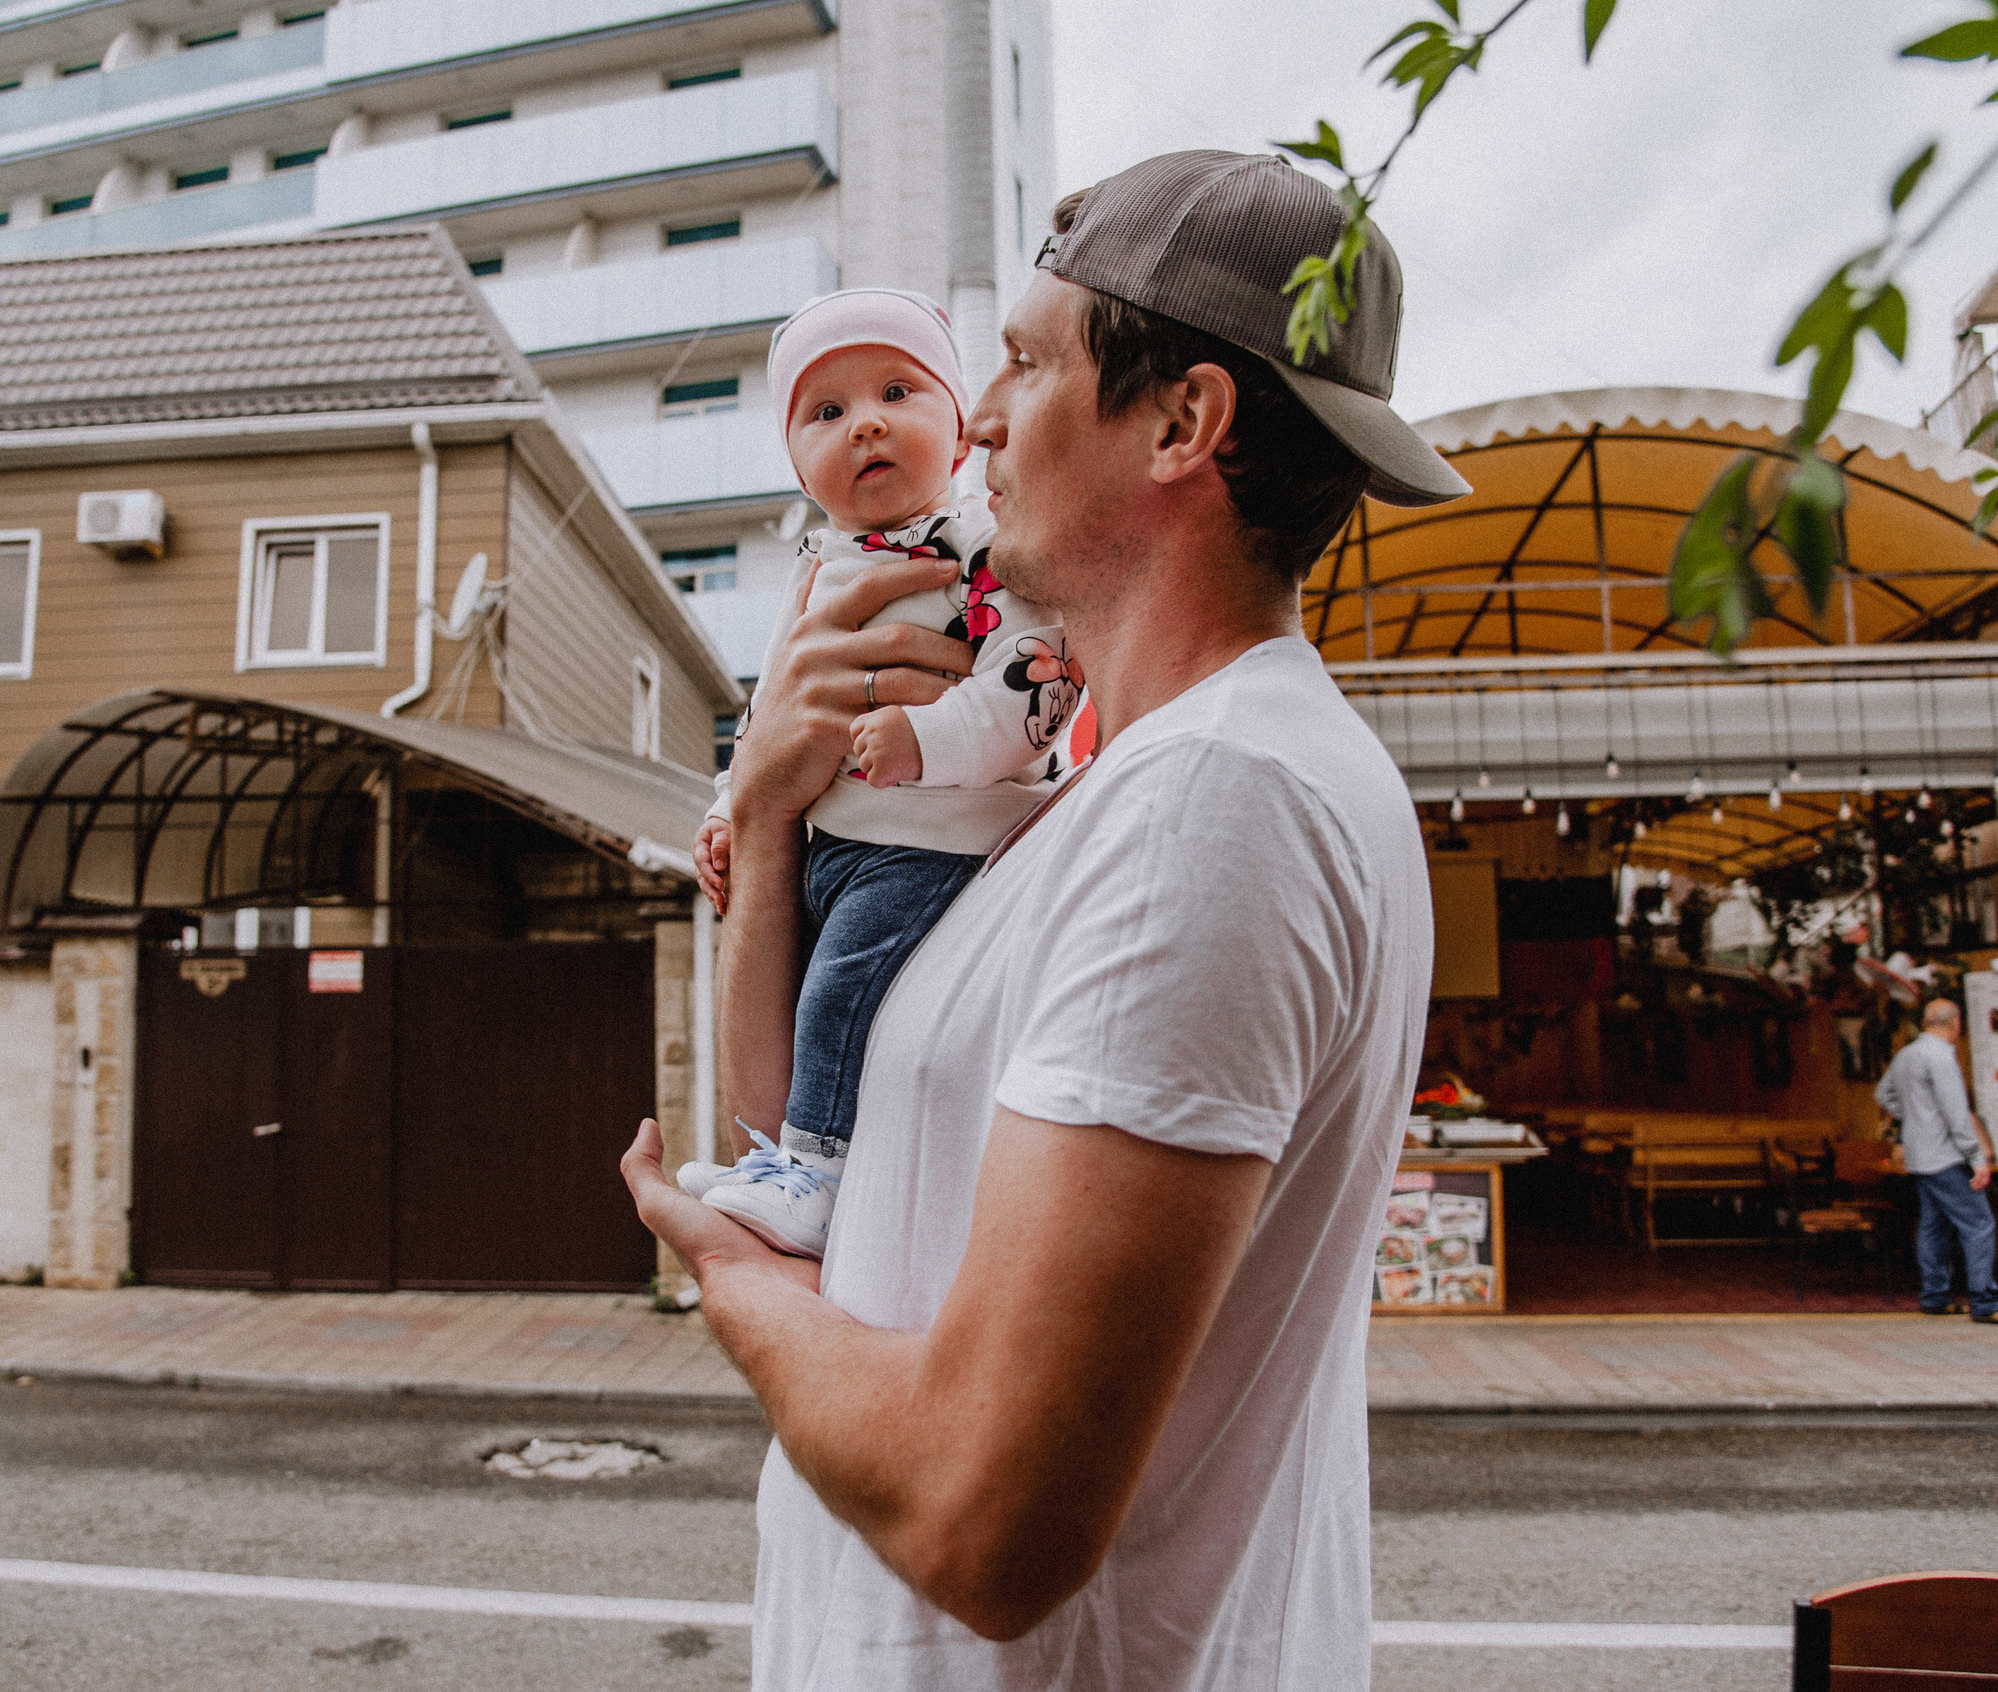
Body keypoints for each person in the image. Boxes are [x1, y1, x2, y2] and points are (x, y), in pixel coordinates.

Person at [623, 149, 1471, 1689]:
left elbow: (984, 1518)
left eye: (1023, 361)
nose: (979, 418)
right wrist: (773, 806)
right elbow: (808, 1138)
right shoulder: (1092, 797)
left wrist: (734, 1278)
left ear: (1182, 421)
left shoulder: (1219, 801)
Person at [682, 288, 1080, 1258]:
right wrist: (730, 805)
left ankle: (814, 1175)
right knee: (805, 997)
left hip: (932, 841)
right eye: (826, 411)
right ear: (797, 466)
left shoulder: (984, 550)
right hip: (830, 843)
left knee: (840, 1000)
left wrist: (926, 740)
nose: (865, 422)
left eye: (898, 391)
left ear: (959, 426)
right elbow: (770, 709)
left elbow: (1040, 683)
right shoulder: (816, 571)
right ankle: (775, 1159)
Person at [1875, 996, 1998, 1325]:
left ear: (1925, 1022)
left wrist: (1916, 1118)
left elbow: (1883, 1094)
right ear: (1956, 1023)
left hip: (1919, 1156)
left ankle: (1935, 1296)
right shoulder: (1942, 1056)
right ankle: (1985, 1301)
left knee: (1933, 1226)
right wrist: (1977, 1158)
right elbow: (1957, 1114)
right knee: (1979, 1224)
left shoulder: (1907, 1054)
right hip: (1945, 1156)